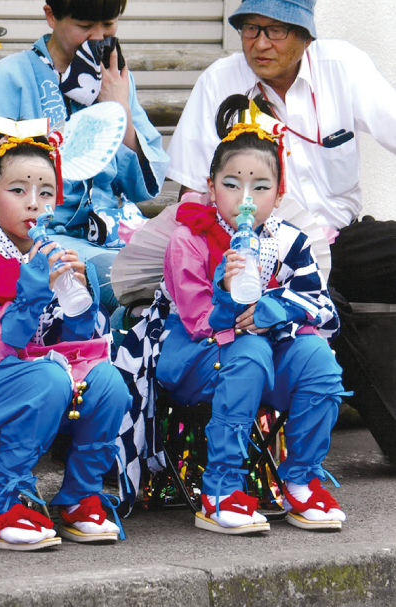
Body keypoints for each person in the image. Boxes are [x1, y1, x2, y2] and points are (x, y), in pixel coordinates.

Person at [166, 0, 396, 460]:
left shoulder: (342, 66)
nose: (260, 43)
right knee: (329, 302)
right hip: (259, 255)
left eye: (276, 31)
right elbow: (191, 194)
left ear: (306, 36)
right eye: (250, 29)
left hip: (338, 239)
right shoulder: (220, 81)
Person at [130, 95, 347, 534]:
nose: (245, 198)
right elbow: (197, 320)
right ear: (211, 188)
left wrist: (276, 308)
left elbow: (320, 304)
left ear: (280, 191)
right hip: (196, 357)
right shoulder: (188, 240)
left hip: (265, 351)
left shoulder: (289, 239)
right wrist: (229, 295)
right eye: (232, 184)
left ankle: (301, 480)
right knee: (248, 352)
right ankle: (220, 487)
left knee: (319, 361)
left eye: (261, 187)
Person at [0, 123, 131, 549]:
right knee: (50, 379)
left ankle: (79, 497)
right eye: (18, 190)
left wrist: (82, 299)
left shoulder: (47, 255)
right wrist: (33, 290)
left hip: (34, 375)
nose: (33, 204)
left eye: (44, 192)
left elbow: (72, 345)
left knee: (109, 382)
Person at [0, 0, 168, 313]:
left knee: (176, 267)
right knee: (123, 280)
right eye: (84, 27)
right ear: (50, 16)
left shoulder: (114, 77)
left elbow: (142, 185)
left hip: (113, 233)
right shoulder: (13, 75)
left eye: (109, 24)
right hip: (38, 237)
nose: (97, 37)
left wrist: (121, 110)